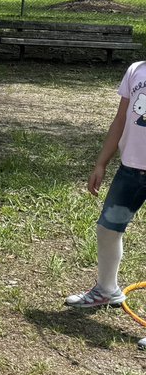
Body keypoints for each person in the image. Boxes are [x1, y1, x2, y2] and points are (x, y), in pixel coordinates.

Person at [67, 62, 146, 347]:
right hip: (130, 171)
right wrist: (101, 162)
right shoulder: (136, 70)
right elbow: (120, 120)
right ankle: (107, 290)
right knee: (108, 229)